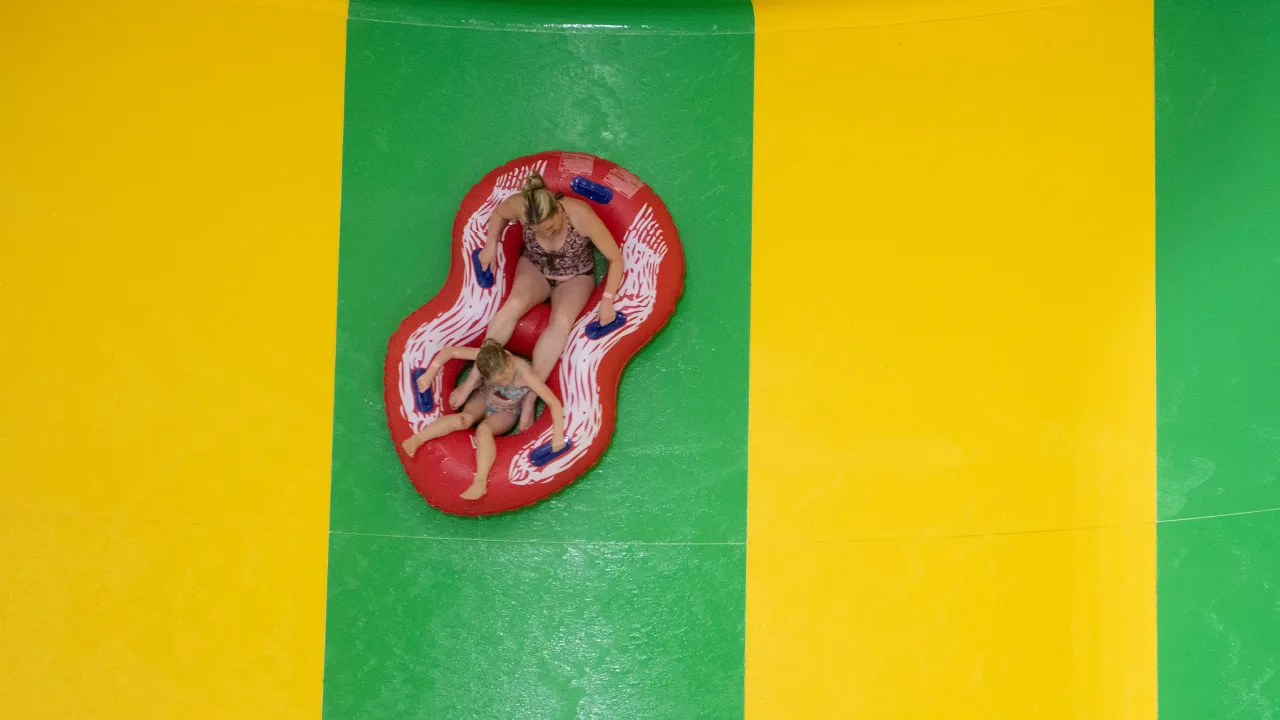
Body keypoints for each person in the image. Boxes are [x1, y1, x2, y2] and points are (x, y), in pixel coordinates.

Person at [451, 170, 624, 428]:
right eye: (538, 231)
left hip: (575, 277)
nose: (547, 233)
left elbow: (615, 258)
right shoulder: (521, 205)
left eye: (551, 227)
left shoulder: (580, 215)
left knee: (562, 320)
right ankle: (474, 377)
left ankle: (531, 394)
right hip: (534, 269)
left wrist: (608, 298)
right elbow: (499, 213)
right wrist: (490, 245)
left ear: (556, 209)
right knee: (514, 304)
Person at [403, 339, 565, 500]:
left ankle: (480, 481)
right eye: (497, 382)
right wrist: (431, 372)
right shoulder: (488, 357)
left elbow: (553, 402)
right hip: (483, 397)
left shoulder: (525, 373)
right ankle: (418, 438)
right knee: (464, 419)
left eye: (504, 379)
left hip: (507, 409)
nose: (503, 383)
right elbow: (450, 351)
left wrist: (557, 434)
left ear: (508, 362)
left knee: (484, 430)